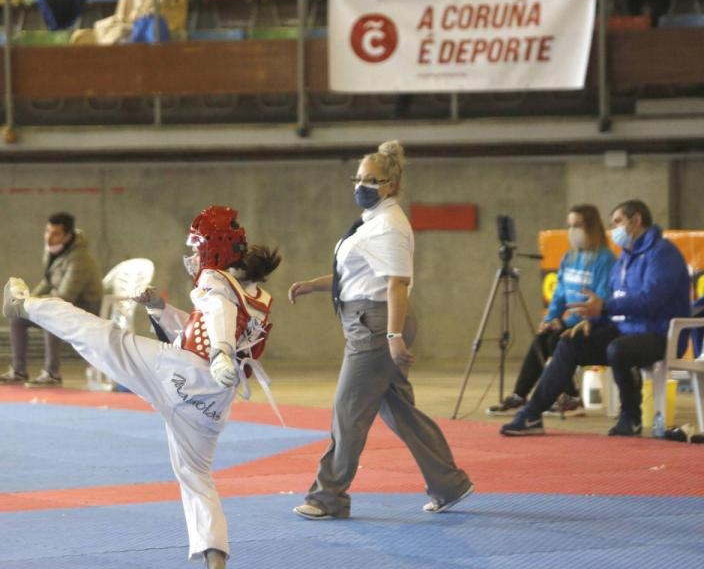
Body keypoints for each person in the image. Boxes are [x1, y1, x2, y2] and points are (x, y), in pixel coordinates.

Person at [2, 205, 281, 569]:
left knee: (102, 337)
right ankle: (216, 558)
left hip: (185, 375)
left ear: (215, 248)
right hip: (213, 401)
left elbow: (217, 317)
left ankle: (25, 305)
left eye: (198, 248)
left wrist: (222, 352)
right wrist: (159, 309)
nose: (194, 257)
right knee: (197, 477)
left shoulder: (215, 283)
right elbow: (200, 328)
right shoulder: (255, 297)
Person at [287, 140, 473, 520]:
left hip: (374, 327)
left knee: (347, 411)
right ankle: (449, 483)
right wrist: (313, 285)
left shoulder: (389, 226)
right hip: (369, 321)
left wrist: (392, 336)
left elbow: (396, 284)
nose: (362, 185)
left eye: (372, 179)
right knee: (401, 412)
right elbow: (357, 276)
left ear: (391, 185)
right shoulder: (374, 222)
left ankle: (328, 497)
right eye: (357, 178)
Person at [501, 199, 690, 437]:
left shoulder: (662, 253)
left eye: (618, 222)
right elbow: (613, 303)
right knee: (570, 343)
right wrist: (591, 322)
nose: (614, 229)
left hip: (662, 334)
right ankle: (531, 414)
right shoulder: (625, 258)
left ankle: (630, 417)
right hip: (626, 329)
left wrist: (603, 309)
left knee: (618, 349)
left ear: (636, 220)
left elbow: (651, 300)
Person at [487, 205, 616, 417]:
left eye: (578, 225)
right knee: (542, 337)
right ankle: (520, 395)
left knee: (556, 339)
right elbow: (559, 294)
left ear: (591, 227)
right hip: (570, 321)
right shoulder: (569, 257)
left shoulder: (605, 259)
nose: (572, 230)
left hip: (594, 324)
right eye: (570, 225)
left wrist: (565, 323)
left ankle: (571, 398)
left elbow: (600, 301)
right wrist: (550, 318)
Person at [0, 212, 102, 388]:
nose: (49, 237)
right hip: (64, 306)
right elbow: (48, 280)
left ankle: (52, 374)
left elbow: (66, 296)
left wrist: (35, 305)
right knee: (17, 318)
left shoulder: (80, 259)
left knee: (51, 315)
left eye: (56, 233)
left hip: (86, 311)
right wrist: (26, 301)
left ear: (68, 236)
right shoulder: (55, 251)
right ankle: (18, 371)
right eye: (47, 231)